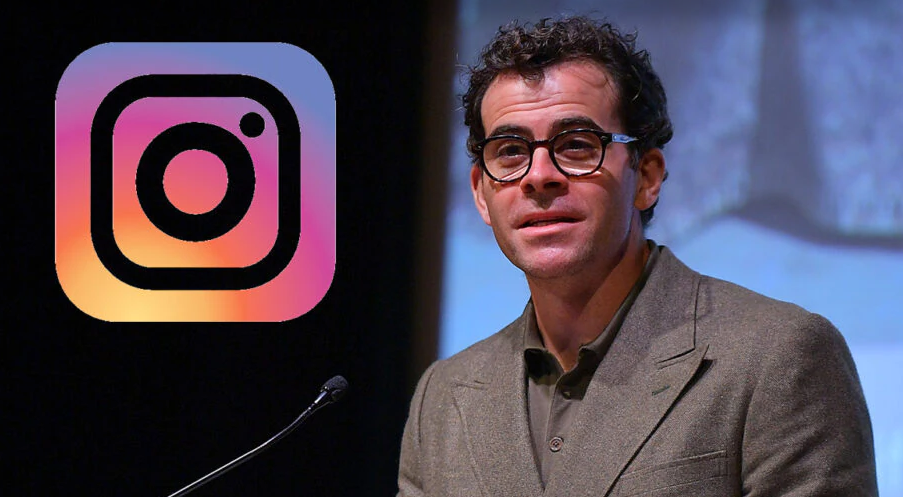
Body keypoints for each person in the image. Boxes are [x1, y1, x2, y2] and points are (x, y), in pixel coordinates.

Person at [397, 16, 877, 496]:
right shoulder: (443, 396)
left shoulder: (778, 357)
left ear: (647, 177)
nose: (538, 176)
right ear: (481, 193)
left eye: (577, 145)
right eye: (510, 151)